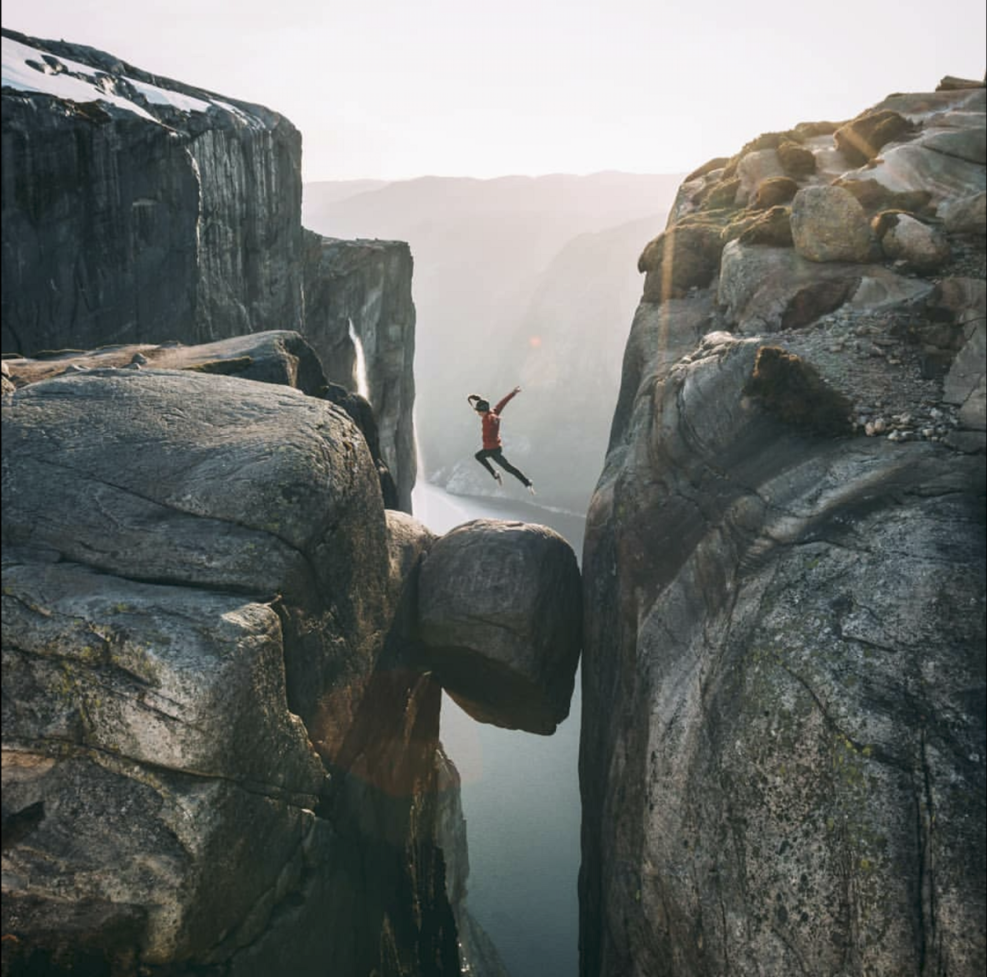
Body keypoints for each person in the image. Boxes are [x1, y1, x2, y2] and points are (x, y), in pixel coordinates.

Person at [468, 387, 535, 493]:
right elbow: (502, 403)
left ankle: (495, 474)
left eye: (479, 412)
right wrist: (512, 393)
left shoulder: (490, 417)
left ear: (484, 411)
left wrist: (494, 419)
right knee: (508, 468)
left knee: (478, 456)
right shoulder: (493, 411)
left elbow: (492, 417)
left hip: (491, 449)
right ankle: (527, 483)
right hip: (496, 449)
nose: (478, 414)